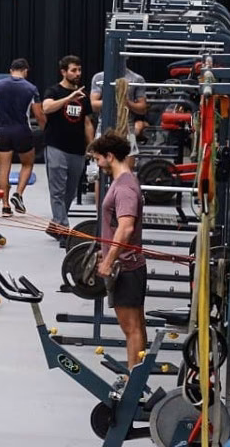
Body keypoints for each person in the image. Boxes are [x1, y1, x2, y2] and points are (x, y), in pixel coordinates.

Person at [89, 131, 147, 378]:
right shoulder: (123, 180)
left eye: (97, 159)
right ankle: (136, 377)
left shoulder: (124, 187)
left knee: (131, 328)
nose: (97, 163)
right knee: (136, 326)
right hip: (127, 265)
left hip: (125, 268)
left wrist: (109, 260)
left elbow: (126, 228)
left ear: (109, 156)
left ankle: (133, 382)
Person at [0, 58, 46, 217]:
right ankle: (18, 194)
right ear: (25, 71)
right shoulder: (31, 88)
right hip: (23, 131)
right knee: (27, 164)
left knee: (4, 170)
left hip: (2, 131)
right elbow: (39, 114)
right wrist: (46, 130)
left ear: (11, 70)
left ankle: (5, 206)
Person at [43, 55, 94, 247]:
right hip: (56, 146)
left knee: (70, 192)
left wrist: (91, 145)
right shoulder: (54, 91)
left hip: (77, 149)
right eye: (73, 70)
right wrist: (68, 98)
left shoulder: (84, 95)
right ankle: (64, 231)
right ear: (63, 72)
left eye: (79, 70)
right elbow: (46, 108)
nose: (77, 73)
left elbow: (87, 122)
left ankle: (55, 224)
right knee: (57, 191)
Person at [90, 63, 147, 156]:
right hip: (103, 129)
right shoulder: (99, 77)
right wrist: (114, 98)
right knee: (101, 161)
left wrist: (126, 102)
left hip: (128, 130)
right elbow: (93, 106)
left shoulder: (137, 79)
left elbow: (142, 109)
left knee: (127, 161)